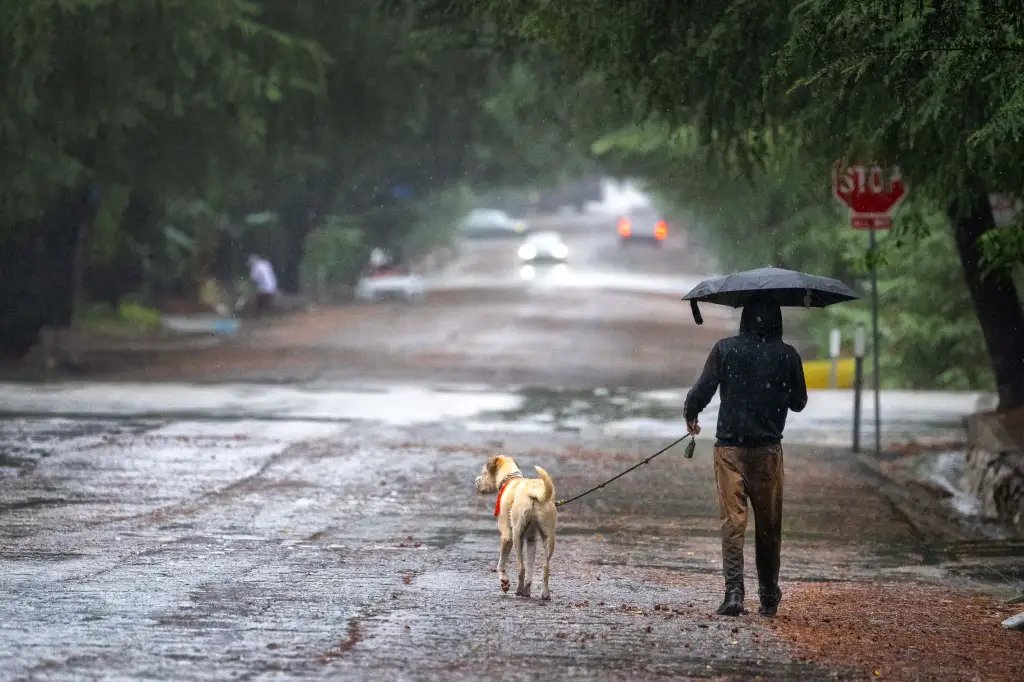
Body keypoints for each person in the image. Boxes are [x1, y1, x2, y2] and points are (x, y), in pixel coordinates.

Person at [683, 292, 807, 617]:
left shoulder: (726, 349)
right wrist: (776, 386)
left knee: (733, 523)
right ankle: (768, 594)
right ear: (778, 319)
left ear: (744, 317)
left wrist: (691, 413)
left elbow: (704, 389)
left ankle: (734, 592)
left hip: (729, 451)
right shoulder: (788, 355)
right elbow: (799, 402)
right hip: (767, 451)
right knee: (769, 526)